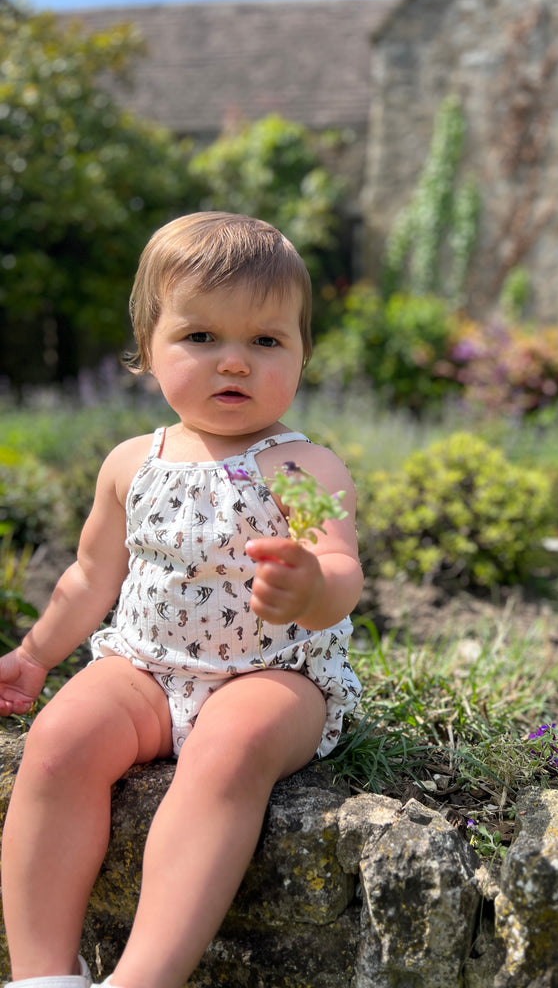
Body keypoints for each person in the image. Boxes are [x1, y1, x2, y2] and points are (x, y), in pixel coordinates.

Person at [0, 212, 364, 988]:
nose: (234, 361)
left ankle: (143, 979)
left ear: (301, 354)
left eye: (266, 341)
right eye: (201, 338)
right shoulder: (133, 462)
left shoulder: (296, 467)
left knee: (227, 750)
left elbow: (341, 572)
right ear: (147, 347)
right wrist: (35, 655)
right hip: (146, 668)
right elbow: (90, 578)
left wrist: (310, 585)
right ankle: (42, 974)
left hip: (273, 674)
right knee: (60, 742)